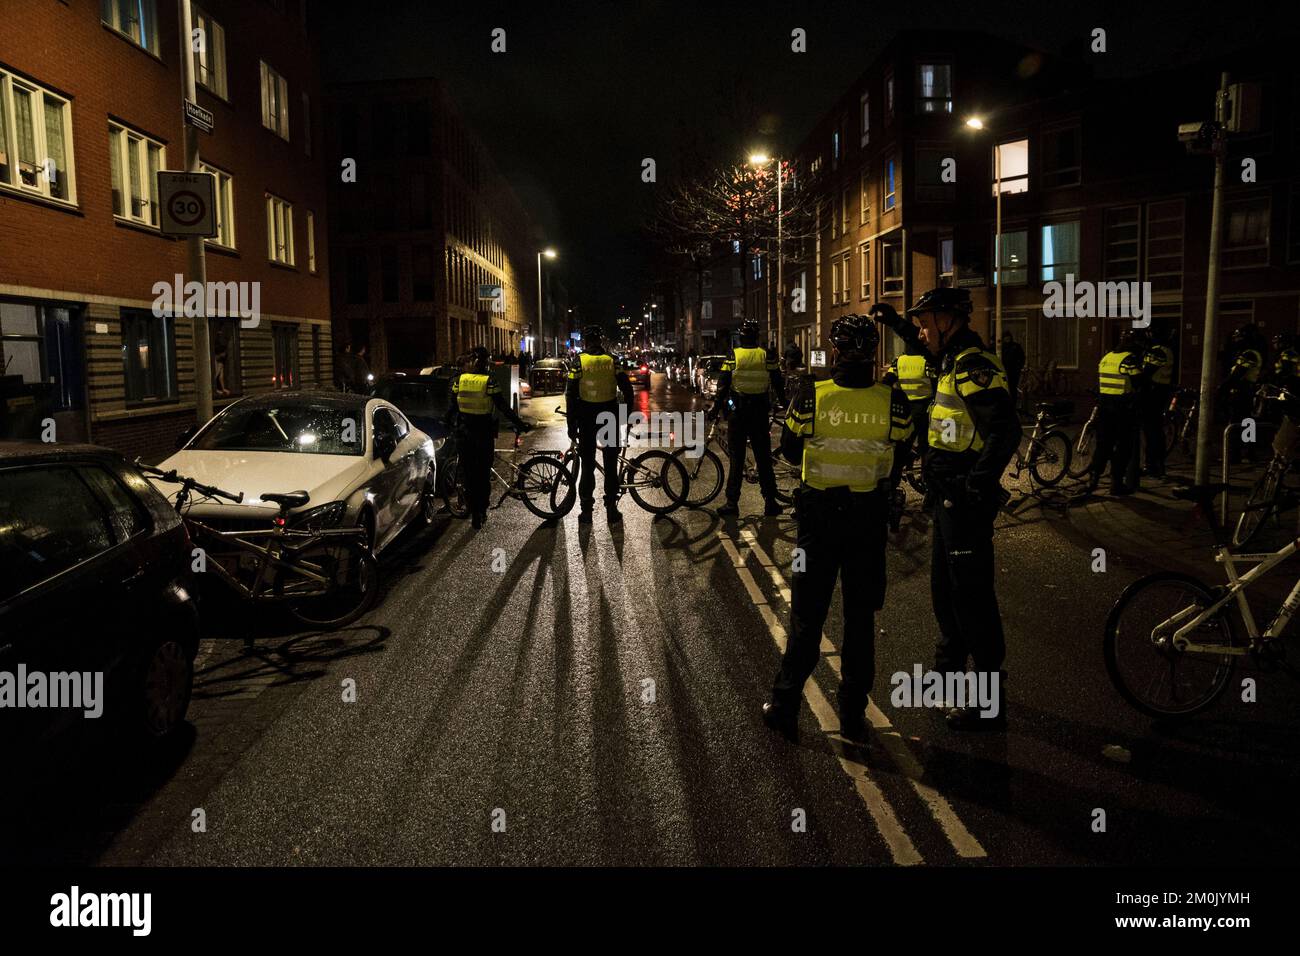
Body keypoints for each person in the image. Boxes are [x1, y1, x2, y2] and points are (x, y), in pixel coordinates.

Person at [761, 316, 913, 741]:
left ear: (836, 350)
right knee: (860, 619)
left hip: (819, 522)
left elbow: (790, 451)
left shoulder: (812, 397)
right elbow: (901, 456)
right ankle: (852, 714)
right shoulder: (893, 401)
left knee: (807, 617)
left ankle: (785, 706)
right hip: (867, 521)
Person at [912, 286, 1021, 731]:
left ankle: (988, 700)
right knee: (946, 591)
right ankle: (949, 676)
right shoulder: (951, 362)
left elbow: (1006, 430)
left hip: (964, 503)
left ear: (947, 320)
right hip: (946, 500)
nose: (920, 330)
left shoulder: (974, 364)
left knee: (973, 598)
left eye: (925, 321)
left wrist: (976, 488)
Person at [446, 346, 531, 529]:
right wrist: (519, 423)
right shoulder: (489, 380)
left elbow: (452, 407)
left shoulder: (459, 380)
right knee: (483, 475)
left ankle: (474, 511)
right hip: (483, 434)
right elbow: (502, 406)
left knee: (468, 476)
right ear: (486, 361)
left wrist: (447, 424)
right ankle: (481, 511)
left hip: (464, 434)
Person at [712, 318, 786, 517]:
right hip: (760, 414)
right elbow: (778, 383)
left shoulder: (734, 356)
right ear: (757, 336)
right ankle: (770, 502)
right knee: (763, 459)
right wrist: (786, 405)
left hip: (739, 413)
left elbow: (723, 386)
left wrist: (715, 409)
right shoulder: (766, 356)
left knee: (737, 460)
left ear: (741, 336)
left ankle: (732, 503)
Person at [566, 324, 634, 525]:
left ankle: (586, 510)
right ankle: (611, 508)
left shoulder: (578, 362)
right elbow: (627, 390)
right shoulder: (613, 361)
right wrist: (626, 416)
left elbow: (570, 394)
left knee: (587, 466)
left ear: (586, 342)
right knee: (611, 464)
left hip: (586, 419)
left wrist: (571, 425)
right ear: (600, 341)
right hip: (609, 417)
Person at [870, 302, 936, 486]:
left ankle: (892, 481)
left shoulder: (899, 361)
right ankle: (927, 483)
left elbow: (887, 383)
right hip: (925, 409)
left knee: (901, 446)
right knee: (926, 448)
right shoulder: (927, 361)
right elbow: (936, 385)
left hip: (905, 409)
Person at [1089, 331, 1145, 495]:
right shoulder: (1129, 359)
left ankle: (1094, 479)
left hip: (1104, 407)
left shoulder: (1107, 357)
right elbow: (1139, 382)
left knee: (1103, 445)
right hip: (1122, 408)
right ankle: (1116, 483)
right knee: (1123, 447)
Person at [1221, 325, 1264, 464]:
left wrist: (1222, 388)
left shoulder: (1249, 354)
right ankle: (1247, 453)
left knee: (1237, 423)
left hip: (1243, 392)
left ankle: (1235, 455)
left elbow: (1237, 373)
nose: (1235, 340)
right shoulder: (1248, 352)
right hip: (1246, 391)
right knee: (1247, 423)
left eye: (1238, 337)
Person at [1140, 328, 1176, 480]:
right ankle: (1152, 465)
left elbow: (1146, 372)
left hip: (1154, 394)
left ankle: (1156, 466)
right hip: (1159, 392)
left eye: (1150, 333)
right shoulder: (1165, 350)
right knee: (1152, 431)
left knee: (1153, 431)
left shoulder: (1159, 352)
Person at [1000, 331, 1026, 412]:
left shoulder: (1015, 346)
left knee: (1012, 388)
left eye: (1009, 337)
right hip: (1003, 371)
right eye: (1006, 337)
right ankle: (1006, 405)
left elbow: (1022, 357)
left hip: (1013, 371)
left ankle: (1012, 404)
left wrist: (1019, 366)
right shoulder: (1001, 347)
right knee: (1004, 388)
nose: (1007, 339)